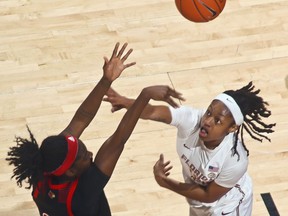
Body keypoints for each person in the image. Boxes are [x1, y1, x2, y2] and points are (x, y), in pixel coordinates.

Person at [6, 42, 185, 216]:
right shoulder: (83, 193)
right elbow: (118, 139)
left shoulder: (45, 166)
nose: (90, 154)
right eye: (84, 157)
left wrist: (106, 80)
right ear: (70, 171)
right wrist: (145, 96)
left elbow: (82, 117)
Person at [103, 82, 276, 216]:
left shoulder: (235, 159)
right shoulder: (191, 120)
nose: (207, 121)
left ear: (232, 128)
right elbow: (153, 112)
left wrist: (165, 182)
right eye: (209, 112)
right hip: (197, 200)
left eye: (217, 121)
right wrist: (125, 101)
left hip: (228, 205)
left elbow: (209, 196)